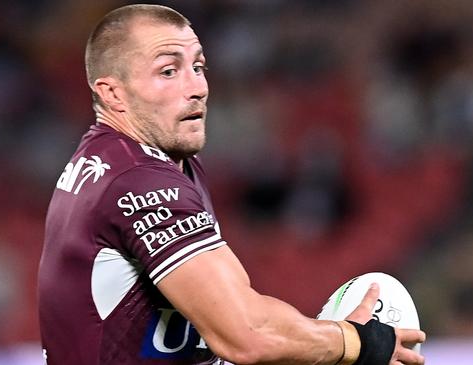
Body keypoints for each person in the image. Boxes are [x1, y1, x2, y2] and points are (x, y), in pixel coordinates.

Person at [37, 4, 426, 365]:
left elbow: (229, 325)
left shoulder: (147, 162)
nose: (197, 87)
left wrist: (327, 339)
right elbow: (245, 335)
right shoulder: (137, 180)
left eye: (199, 67)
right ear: (112, 93)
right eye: (169, 71)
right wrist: (357, 342)